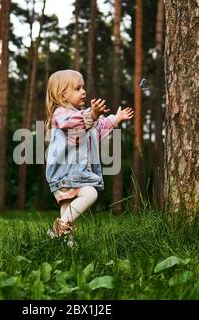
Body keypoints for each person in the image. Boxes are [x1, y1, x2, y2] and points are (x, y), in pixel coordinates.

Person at [44, 69, 134, 247]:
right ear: (63, 95)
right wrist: (91, 115)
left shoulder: (83, 115)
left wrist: (116, 118)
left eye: (83, 88)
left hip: (72, 174)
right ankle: (58, 229)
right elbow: (73, 123)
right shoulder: (61, 114)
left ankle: (65, 242)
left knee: (67, 206)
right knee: (90, 192)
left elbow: (98, 128)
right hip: (66, 173)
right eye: (78, 88)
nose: (83, 92)